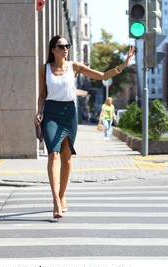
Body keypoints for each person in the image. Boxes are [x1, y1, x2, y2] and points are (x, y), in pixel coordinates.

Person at [34, 35, 135, 219]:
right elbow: (41, 95)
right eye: (61, 46)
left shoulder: (75, 67)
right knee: (53, 154)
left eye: (67, 45)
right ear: (52, 49)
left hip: (69, 114)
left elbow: (103, 76)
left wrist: (123, 64)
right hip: (51, 113)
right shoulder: (45, 69)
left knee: (67, 157)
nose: (65, 48)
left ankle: (63, 195)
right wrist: (39, 112)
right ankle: (56, 199)